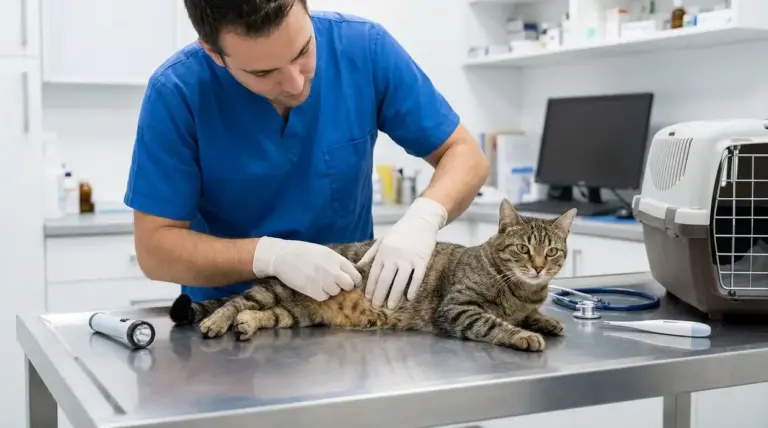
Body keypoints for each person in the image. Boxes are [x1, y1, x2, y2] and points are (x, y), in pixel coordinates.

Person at [125, 0, 489, 311]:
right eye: (264, 73)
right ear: (213, 53)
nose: (296, 84)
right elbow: (156, 248)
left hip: (349, 311)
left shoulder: (365, 50)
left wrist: (424, 218)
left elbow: (464, 154)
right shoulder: (178, 91)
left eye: (303, 52)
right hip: (230, 317)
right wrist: (269, 257)